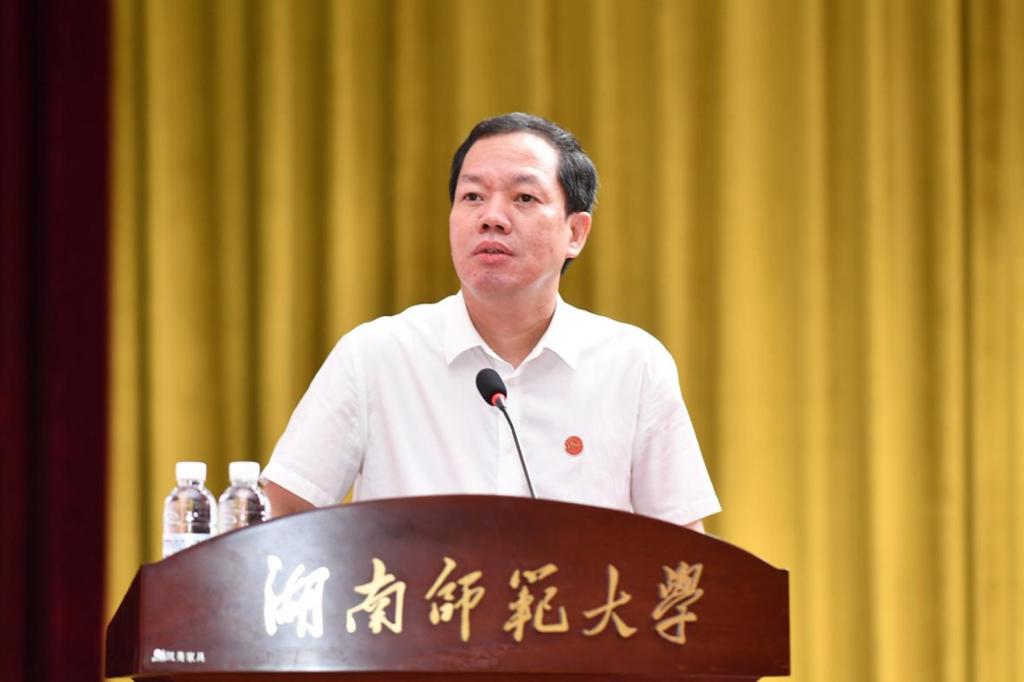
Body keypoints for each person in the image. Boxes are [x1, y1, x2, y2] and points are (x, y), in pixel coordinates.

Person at [262, 113, 720, 532]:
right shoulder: (375, 356)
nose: (491, 218)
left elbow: (684, 555)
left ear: (576, 232)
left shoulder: (633, 365)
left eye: (524, 197)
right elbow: (280, 514)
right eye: (472, 197)